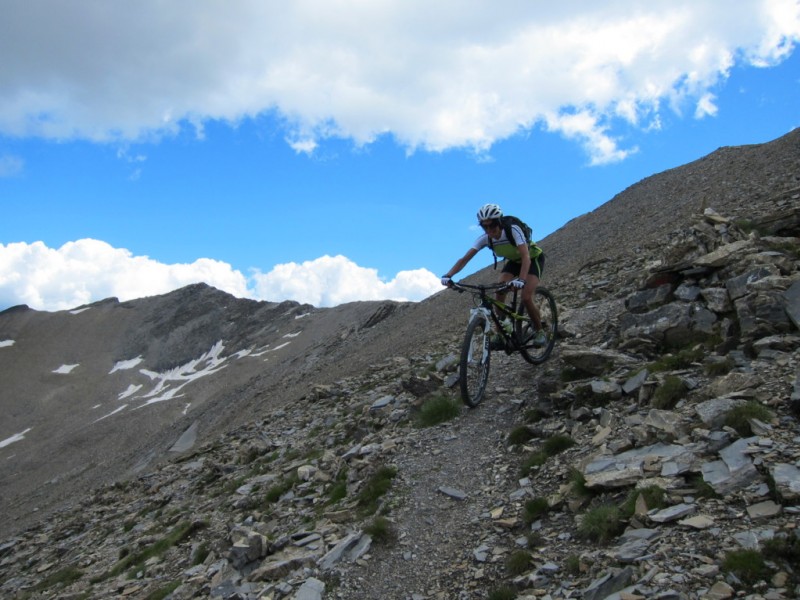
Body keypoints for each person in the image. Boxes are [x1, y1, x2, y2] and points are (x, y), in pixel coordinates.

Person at [440, 203, 547, 348]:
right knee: (499, 292)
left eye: (492, 226)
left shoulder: (513, 230)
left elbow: (525, 256)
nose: (489, 230)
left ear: (500, 223)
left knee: (526, 297)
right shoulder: (485, 238)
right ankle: (501, 333)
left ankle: (540, 330)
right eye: (485, 227)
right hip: (513, 262)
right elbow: (465, 259)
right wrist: (448, 275)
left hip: (532, 260)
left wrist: (521, 280)